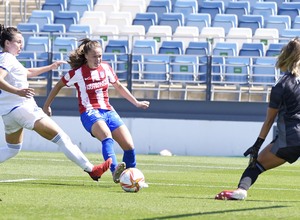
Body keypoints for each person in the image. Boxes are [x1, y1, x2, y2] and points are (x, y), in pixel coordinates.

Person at [0, 25, 112, 182]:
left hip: (8, 113)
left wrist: (50, 67)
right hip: (22, 108)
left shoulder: (7, 59)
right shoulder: (7, 58)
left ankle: (91, 168)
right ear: (7, 43)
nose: (21, 45)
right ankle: (91, 169)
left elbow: (28, 72)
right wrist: (18, 91)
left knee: (12, 149)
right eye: (18, 42)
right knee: (62, 138)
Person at [43, 38, 150, 183]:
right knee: (106, 136)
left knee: (129, 146)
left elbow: (118, 86)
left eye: (100, 56)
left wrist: (136, 103)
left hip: (108, 111)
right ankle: (115, 171)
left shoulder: (106, 68)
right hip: (89, 112)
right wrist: (46, 105)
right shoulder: (77, 73)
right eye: (94, 56)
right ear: (86, 56)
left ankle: (132, 180)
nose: (98, 59)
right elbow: (58, 86)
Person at [215, 37, 300, 200]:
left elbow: (269, 120)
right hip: (291, 137)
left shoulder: (281, 85)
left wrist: (257, 145)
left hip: (290, 138)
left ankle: (241, 191)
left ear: (286, 55)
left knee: (255, 166)